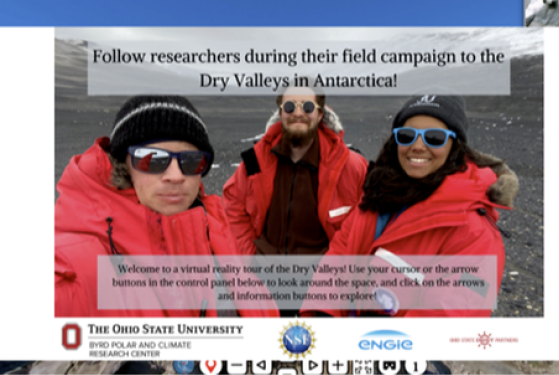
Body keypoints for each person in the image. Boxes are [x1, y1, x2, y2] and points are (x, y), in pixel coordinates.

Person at [55, 95, 277, 317]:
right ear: (122, 165)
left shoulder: (217, 231)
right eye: (152, 159)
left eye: (191, 161)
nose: (175, 176)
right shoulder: (71, 267)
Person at [301, 95, 514, 317]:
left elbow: (447, 320)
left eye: (434, 137)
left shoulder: (475, 231)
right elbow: (339, 257)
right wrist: (322, 315)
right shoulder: (377, 195)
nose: (418, 146)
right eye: (406, 135)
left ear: (455, 146)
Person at [223, 86, 369, 257]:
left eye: (307, 106)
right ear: (280, 113)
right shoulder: (255, 160)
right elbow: (233, 205)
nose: (298, 113)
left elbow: (363, 225)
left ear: (320, 114)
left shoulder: (350, 166)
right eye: (290, 107)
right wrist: (250, 259)